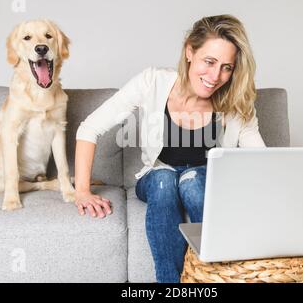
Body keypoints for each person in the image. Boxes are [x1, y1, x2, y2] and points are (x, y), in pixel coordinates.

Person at [74, 14, 266, 283]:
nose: (215, 76)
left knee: (192, 180)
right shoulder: (152, 82)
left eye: (226, 67)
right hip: (156, 177)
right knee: (165, 179)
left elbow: (263, 161)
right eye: (209, 62)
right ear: (190, 51)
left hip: (205, 180)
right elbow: (89, 128)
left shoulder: (236, 102)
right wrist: (82, 191)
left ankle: (214, 277)